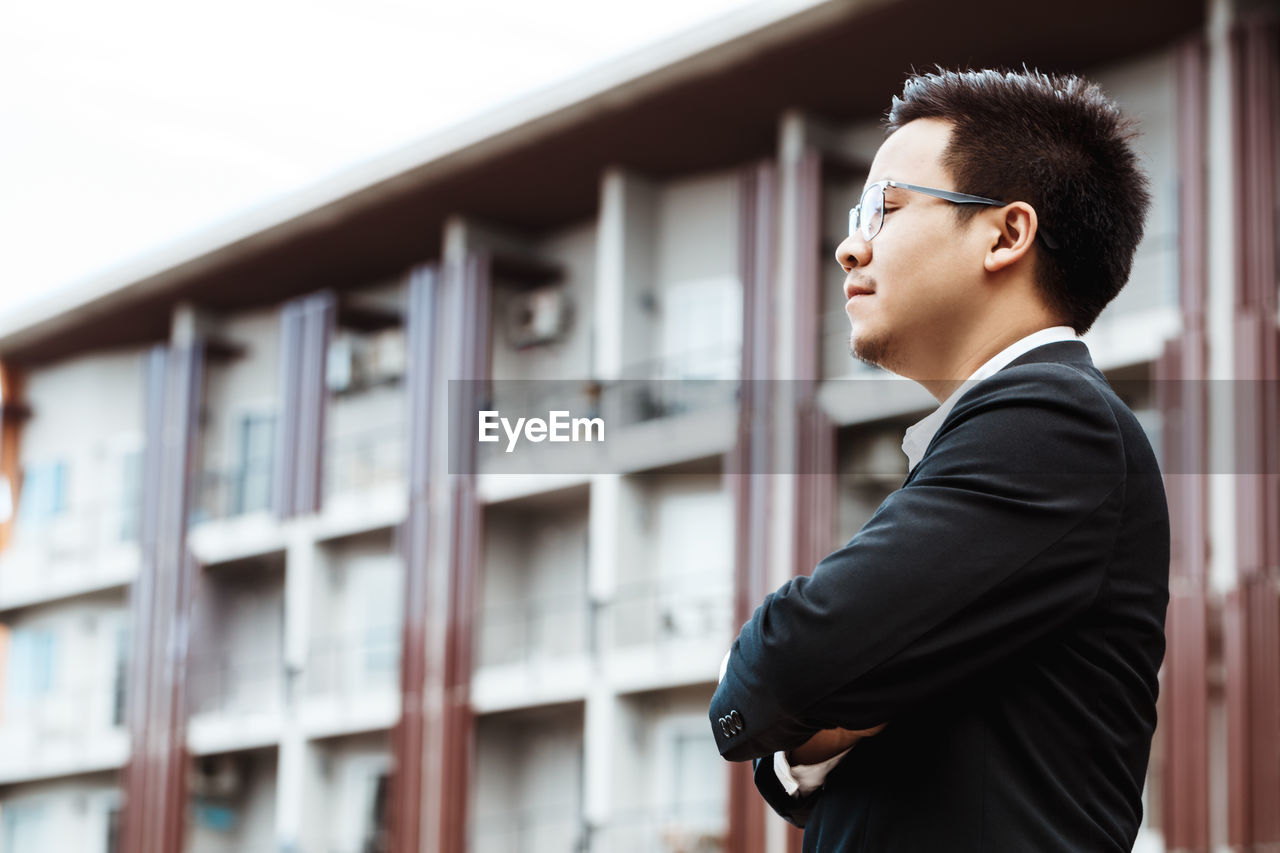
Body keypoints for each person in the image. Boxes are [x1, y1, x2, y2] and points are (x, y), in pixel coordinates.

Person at [708, 67, 1170, 852]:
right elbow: (807, 703)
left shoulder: (1052, 423)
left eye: (885, 209)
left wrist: (829, 700)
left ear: (1006, 234)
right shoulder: (1005, 433)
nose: (850, 246)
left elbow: (784, 663)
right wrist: (823, 712)